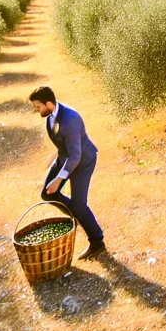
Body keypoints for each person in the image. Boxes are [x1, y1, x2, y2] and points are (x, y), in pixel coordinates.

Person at [30, 86, 106, 260]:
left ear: (48, 103)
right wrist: (55, 154)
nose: (36, 110)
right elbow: (64, 142)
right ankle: (78, 217)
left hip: (82, 161)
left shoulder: (70, 119)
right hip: (66, 157)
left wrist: (58, 178)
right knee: (48, 194)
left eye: (38, 106)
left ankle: (97, 242)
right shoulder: (51, 114)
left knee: (79, 205)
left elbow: (76, 155)